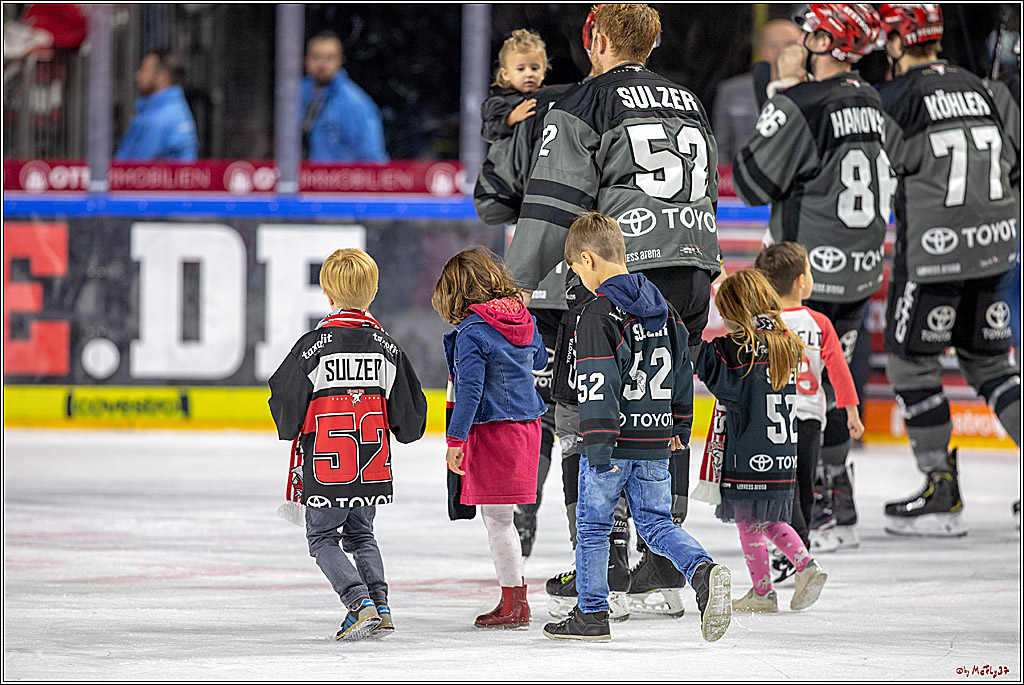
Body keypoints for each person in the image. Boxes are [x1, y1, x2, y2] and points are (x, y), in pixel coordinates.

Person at [505, 1, 722, 605]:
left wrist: (517, 282)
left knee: (584, 414)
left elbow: (553, 203)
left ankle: (603, 566)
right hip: (692, 275)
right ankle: (665, 561)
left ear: (595, 39)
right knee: (662, 412)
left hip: (620, 276)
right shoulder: (690, 102)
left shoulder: (584, 103)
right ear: (649, 46)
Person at [732, 4, 888, 552]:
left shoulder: (802, 102)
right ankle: (838, 495)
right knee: (831, 383)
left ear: (825, 41)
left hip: (804, 273)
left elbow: (752, 181)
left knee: (792, 394)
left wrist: (780, 93)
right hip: (862, 265)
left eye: (809, 32)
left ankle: (812, 504)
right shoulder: (870, 97)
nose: (801, 38)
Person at [542, 211, 732, 643]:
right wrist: (681, 428)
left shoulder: (598, 312)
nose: (577, 278)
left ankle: (591, 615)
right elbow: (684, 371)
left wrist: (599, 449)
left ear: (588, 260)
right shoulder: (663, 308)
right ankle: (703, 571)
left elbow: (598, 383)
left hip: (613, 439)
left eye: (575, 269)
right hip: (656, 438)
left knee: (594, 527)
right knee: (657, 525)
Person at [876, 4, 1021, 536]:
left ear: (896, 41)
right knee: (991, 365)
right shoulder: (983, 87)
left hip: (935, 253)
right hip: (997, 246)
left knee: (911, 364)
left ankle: (941, 489)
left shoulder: (894, 97)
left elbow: (877, 168)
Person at [267, 248, 428, 640]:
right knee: (361, 535)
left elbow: (284, 400)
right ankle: (381, 606)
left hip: (326, 470)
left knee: (322, 537)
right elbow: (411, 418)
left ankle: (358, 602)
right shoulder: (388, 347)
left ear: (327, 294)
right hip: (371, 469)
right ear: (372, 293)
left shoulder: (312, 347)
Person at [697, 268, 829, 613]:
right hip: (783, 454)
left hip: (750, 452)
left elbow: (709, 366)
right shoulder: (784, 341)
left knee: (749, 524)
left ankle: (763, 591)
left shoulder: (740, 349)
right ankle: (804, 565)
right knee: (768, 520)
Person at [432, 248, 548, 629]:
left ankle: (515, 603)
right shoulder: (523, 317)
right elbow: (541, 359)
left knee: (498, 520)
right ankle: (513, 600)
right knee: (502, 519)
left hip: (496, 430)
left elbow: (470, 392)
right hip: (527, 427)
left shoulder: (472, 333)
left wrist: (454, 440)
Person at [755, 242, 864, 573]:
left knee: (776, 486)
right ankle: (798, 551)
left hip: (771, 418)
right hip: (810, 419)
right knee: (804, 484)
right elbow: (839, 372)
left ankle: (785, 550)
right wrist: (852, 413)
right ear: (802, 282)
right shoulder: (819, 323)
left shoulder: (761, 322)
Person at [712, 19, 803, 164]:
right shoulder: (731, 91)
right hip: (739, 179)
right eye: (792, 45)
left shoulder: (811, 91)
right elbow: (720, 148)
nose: (802, 52)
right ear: (768, 51)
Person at [301, 30, 388, 162]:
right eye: (316, 57)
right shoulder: (295, 95)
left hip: (340, 180)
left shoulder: (356, 103)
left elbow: (373, 158)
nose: (321, 64)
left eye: (329, 57)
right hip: (300, 179)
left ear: (340, 60)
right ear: (305, 59)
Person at [115, 50, 198, 161]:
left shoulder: (158, 118)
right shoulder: (176, 108)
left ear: (163, 77)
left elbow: (134, 169)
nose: (138, 75)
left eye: (144, 70)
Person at [480, 29, 549, 144]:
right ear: (506, 74)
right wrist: (510, 118)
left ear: (543, 72)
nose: (529, 74)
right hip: (507, 160)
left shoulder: (548, 97)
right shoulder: (499, 101)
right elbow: (488, 132)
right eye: (521, 69)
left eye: (535, 68)